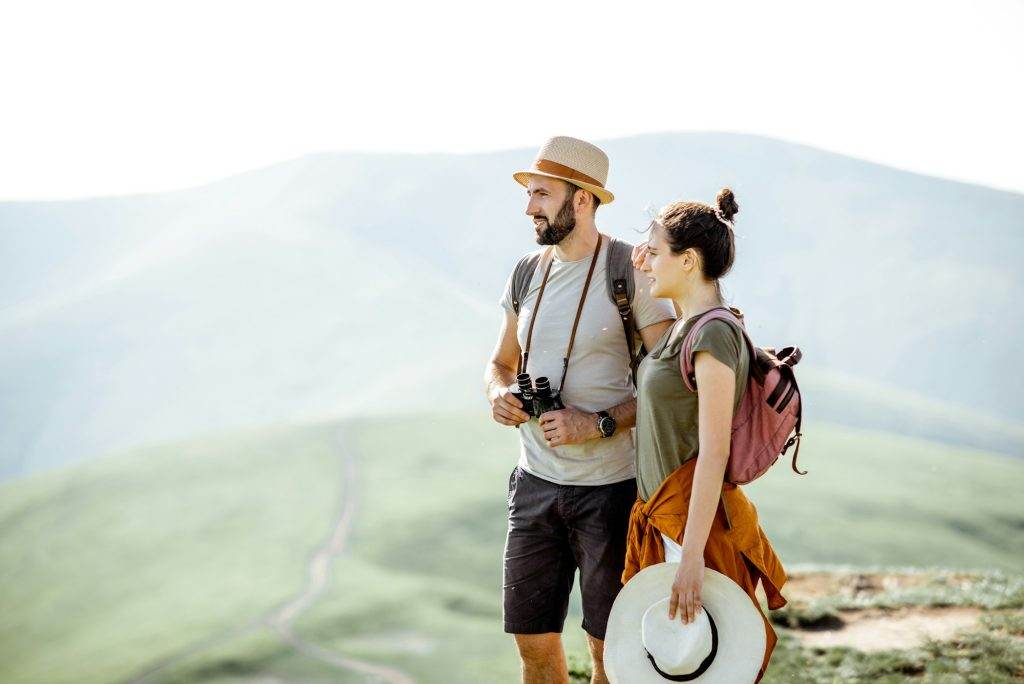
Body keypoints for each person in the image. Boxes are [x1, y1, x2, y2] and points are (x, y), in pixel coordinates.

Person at [484, 136, 675, 684]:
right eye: (529, 194)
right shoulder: (525, 272)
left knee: (609, 655)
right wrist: (498, 395)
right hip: (534, 485)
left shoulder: (631, 272)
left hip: (611, 492)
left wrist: (597, 423)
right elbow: (499, 363)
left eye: (542, 194)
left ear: (584, 199)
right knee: (533, 649)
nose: (530, 207)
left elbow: (667, 387)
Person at [625, 189, 788, 682]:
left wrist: (691, 556)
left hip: (689, 531)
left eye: (655, 252)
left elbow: (714, 452)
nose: (645, 261)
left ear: (689, 260)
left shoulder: (713, 334)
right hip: (665, 523)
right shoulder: (686, 327)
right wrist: (649, 266)